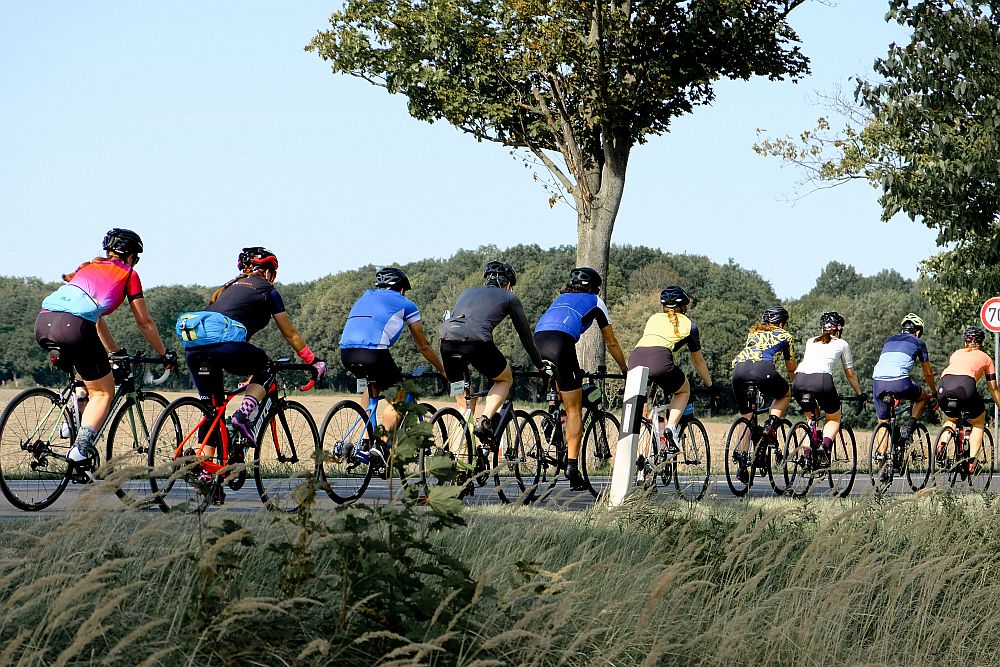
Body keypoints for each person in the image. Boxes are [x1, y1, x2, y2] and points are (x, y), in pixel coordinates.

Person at [34, 228, 176, 476]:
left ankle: (71, 425)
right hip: (74, 327)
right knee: (103, 393)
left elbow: (95, 320)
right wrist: (163, 353)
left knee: (85, 378)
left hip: (44, 322)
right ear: (130, 256)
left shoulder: (87, 268)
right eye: (137, 258)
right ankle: (79, 450)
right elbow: (144, 322)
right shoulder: (128, 274)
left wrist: (115, 350)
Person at [181, 247, 326, 455]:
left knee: (213, 411)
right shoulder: (267, 291)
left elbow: (234, 334)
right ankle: (243, 416)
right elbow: (290, 333)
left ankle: (205, 469)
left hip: (194, 351)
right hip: (224, 349)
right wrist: (312, 360)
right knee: (266, 366)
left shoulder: (225, 290)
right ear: (267, 272)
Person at [339, 266, 448, 462]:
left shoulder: (365, 297)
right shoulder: (406, 303)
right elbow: (423, 346)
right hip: (373, 352)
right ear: (401, 289)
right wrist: (441, 369)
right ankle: (380, 445)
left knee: (373, 385)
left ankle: (366, 441)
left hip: (346, 352)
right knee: (402, 396)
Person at [533, 267, 628, 490]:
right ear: (596, 287)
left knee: (564, 385)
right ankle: (572, 467)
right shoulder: (595, 301)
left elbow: (557, 328)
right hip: (562, 344)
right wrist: (625, 368)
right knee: (575, 409)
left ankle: (552, 416)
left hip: (538, 341)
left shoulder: (561, 297)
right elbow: (611, 342)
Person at [439, 260, 547, 443]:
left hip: (447, 343)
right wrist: (540, 365)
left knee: (464, 405)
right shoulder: (509, 298)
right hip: (477, 344)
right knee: (504, 378)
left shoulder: (466, 292)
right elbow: (527, 339)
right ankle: (486, 419)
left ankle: (459, 458)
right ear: (508, 284)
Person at [628, 285, 722, 454]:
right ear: (684, 306)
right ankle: (670, 429)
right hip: (660, 360)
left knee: (646, 414)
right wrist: (710, 386)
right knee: (683, 391)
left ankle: (643, 457)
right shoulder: (689, 325)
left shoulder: (653, 318)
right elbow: (698, 360)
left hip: (635, 359)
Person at [730, 305, 798, 482]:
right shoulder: (785, 336)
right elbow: (791, 369)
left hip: (739, 371)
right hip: (763, 370)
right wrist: (796, 385)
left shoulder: (753, 333)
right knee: (784, 394)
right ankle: (771, 424)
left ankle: (742, 463)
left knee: (746, 415)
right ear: (782, 323)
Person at [791, 311, 865, 466]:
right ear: (838, 329)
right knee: (833, 418)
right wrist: (860, 394)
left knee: (812, 417)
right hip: (821, 380)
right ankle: (824, 447)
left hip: (799, 381)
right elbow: (850, 375)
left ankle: (806, 453)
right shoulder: (842, 344)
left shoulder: (811, 341)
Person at [937, 326, 1000, 475]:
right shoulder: (986, 358)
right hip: (965, 389)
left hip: (944, 388)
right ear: (981, 343)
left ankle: (942, 445)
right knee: (978, 421)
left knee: (952, 419)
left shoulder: (956, 354)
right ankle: (972, 462)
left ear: (966, 343)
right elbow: (993, 388)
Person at [871, 313, 937, 438]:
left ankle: (881, 455)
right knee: (922, 397)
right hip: (899, 381)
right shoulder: (919, 342)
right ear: (918, 331)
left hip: (877, 381)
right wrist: (934, 392)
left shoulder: (890, 339)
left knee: (884, 422)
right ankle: (909, 426)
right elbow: (928, 373)